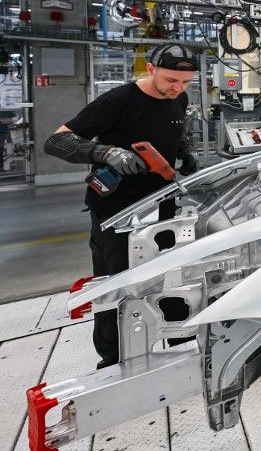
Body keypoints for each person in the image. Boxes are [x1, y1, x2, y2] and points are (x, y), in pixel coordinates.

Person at [44, 43, 201, 368]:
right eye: (172, 80)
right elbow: (56, 140)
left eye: (185, 82)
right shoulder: (118, 101)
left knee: (170, 272)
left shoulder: (180, 97)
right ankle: (113, 357)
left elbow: (176, 126)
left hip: (161, 203)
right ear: (151, 69)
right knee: (114, 281)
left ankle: (179, 340)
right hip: (115, 210)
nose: (178, 88)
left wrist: (185, 149)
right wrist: (105, 153)